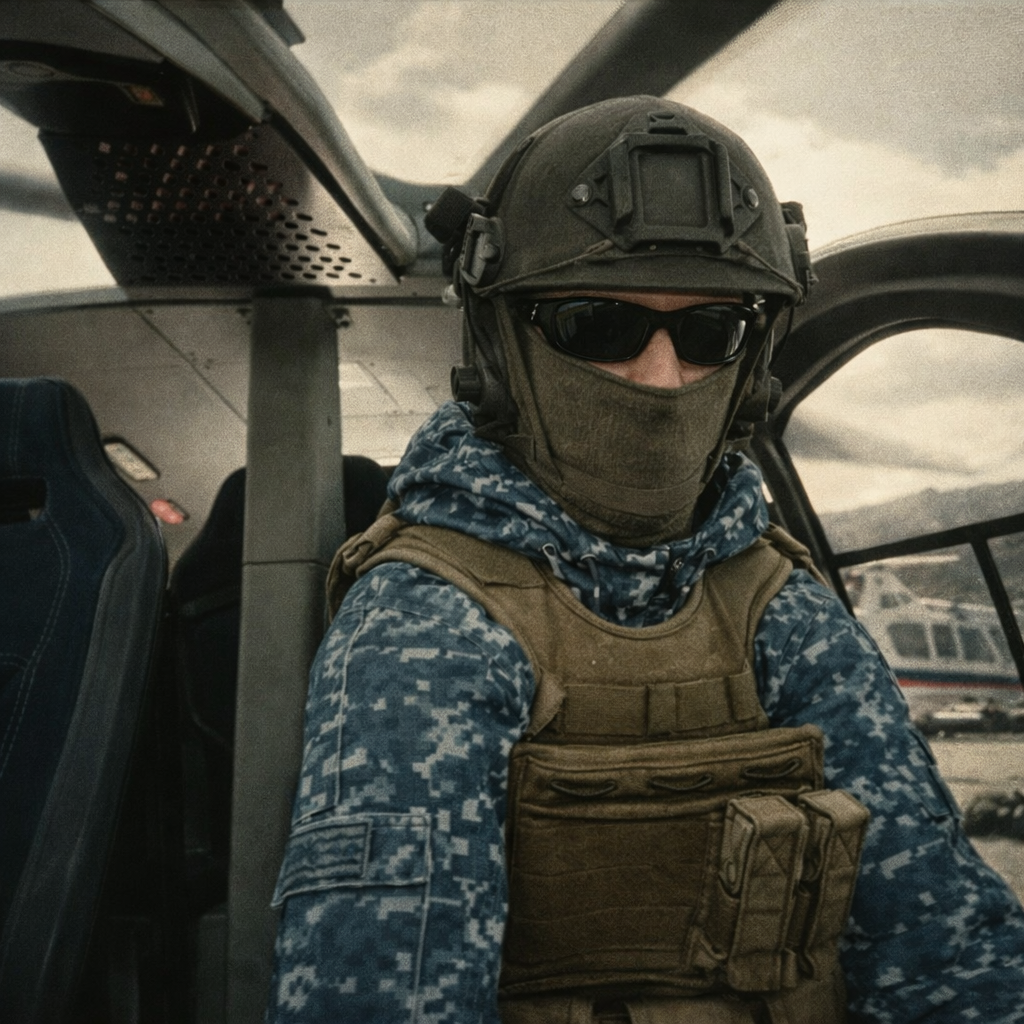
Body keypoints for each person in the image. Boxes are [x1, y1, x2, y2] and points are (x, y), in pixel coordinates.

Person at [267, 97, 1024, 1023]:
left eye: (711, 333)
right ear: (502, 347)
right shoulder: (426, 620)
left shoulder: (782, 607)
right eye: (599, 325)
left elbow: (944, 949)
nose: (664, 376)